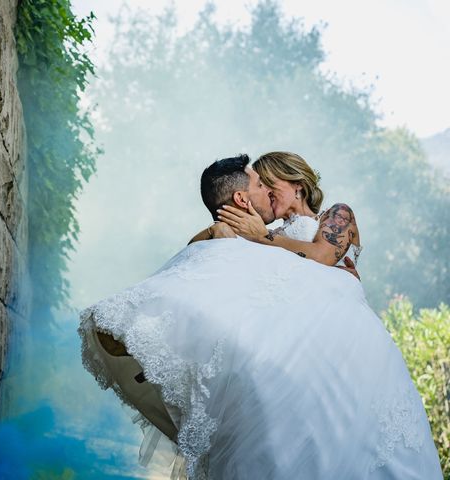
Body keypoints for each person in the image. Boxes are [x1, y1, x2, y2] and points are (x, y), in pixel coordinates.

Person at [78, 153, 442, 479]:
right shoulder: (268, 231)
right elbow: (200, 254)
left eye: (271, 184)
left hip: (339, 328)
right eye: (261, 184)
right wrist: (216, 229)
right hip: (296, 335)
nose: (265, 192)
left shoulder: (336, 215)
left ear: (297, 185)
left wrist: (261, 237)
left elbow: (323, 257)